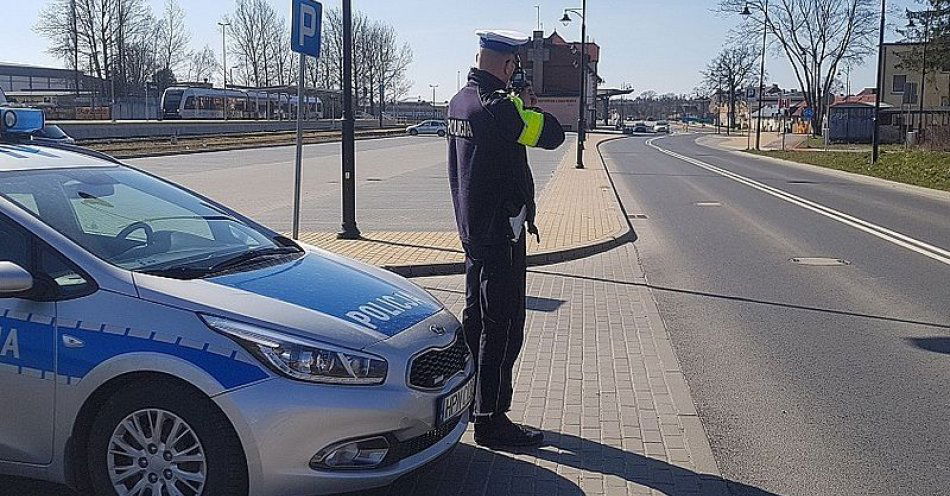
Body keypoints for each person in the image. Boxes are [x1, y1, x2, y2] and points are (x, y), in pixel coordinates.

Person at [446, 29, 565, 448]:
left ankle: (471, 403)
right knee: (503, 326)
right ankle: (492, 420)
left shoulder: (460, 101)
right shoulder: (500, 110)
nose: (516, 70)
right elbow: (553, 135)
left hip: (472, 231)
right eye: (515, 64)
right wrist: (526, 106)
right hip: (501, 233)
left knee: (475, 319)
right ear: (506, 64)